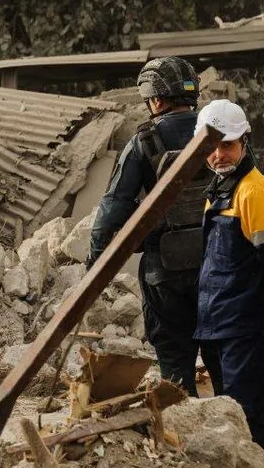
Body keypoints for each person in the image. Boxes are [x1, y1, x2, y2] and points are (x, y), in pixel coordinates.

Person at [88, 57, 213, 394]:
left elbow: (112, 209)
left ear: (155, 99)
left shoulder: (143, 141)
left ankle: (179, 429)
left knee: (174, 364)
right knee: (223, 359)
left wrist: (94, 263)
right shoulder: (218, 133)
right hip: (216, 267)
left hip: (165, 274)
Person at [193, 100, 264, 466]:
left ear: (244, 142)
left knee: (246, 409)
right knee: (257, 402)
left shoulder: (256, 193)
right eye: (212, 147)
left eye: (228, 145)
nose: (219, 154)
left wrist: (257, 323)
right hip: (221, 322)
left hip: (246, 323)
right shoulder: (221, 190)